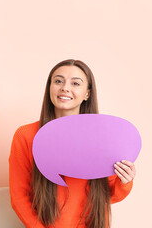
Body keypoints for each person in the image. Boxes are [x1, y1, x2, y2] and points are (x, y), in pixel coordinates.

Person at [8, 59, 136, 228]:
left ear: (87, 94)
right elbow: (19, 198)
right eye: (58, 81)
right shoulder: (25, 135)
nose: (65, 88)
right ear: (49, 88)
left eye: (75, 83)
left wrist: (124, 181)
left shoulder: (104, 137)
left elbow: (111, 195)